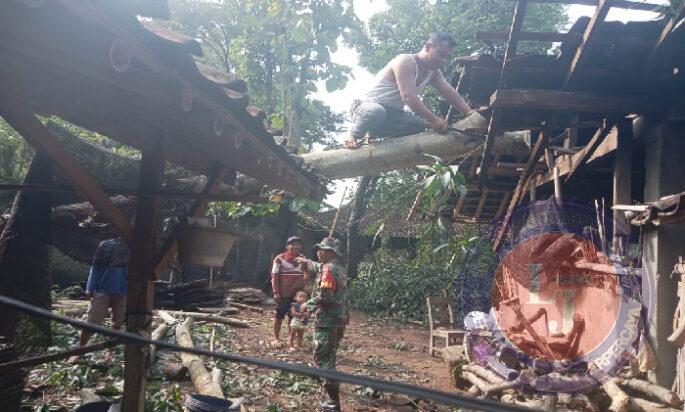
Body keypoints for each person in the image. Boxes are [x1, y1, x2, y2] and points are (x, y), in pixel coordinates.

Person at [344, 32, 486, 149]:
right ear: (428, 47)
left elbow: (449, 92)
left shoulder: (434, 72)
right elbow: (408, 96)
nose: (444, 60)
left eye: (447, 57)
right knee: (375, 112)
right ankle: (352, 137)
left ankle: (372, 132)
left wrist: (469, 112)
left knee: (418, 125)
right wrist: (435, 120)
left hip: (391, 115)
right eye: (441, 54)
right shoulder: (405, 61)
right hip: (366, 107)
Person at [297, 237, 349, 411]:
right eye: (318, 249)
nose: (319, 252)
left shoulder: (328, 269)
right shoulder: (338, 268)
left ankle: (333, 402)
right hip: (339, 319)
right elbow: (317, 267)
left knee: (322, 357)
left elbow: (325, 296)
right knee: (331, 356)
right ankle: (331, 399)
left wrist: (308, 305)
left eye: (323, 250)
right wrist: (306, 261)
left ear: (331, 252)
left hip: (327, 320)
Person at [69, 236, 130, 363]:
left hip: (123, 291)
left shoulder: (133, 248)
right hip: (102, 290)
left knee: (117, 324)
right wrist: (89, 287)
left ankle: (109, 352)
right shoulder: (105, 245)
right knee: (91, 323)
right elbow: (95, 267)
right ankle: (80, 351)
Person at [271, 235, 308, 346]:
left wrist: (304, 281)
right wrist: (276, 292)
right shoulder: (279, 258)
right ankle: (276, 338)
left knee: (293, 316)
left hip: (297, 295)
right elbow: (274, 276)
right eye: (293, 244)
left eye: (298, 244)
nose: (296, 246)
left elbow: (306, 272)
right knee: (279, 315)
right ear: (287, 246)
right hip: (283, 293)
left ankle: (290, 337)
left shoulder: (302, 258)